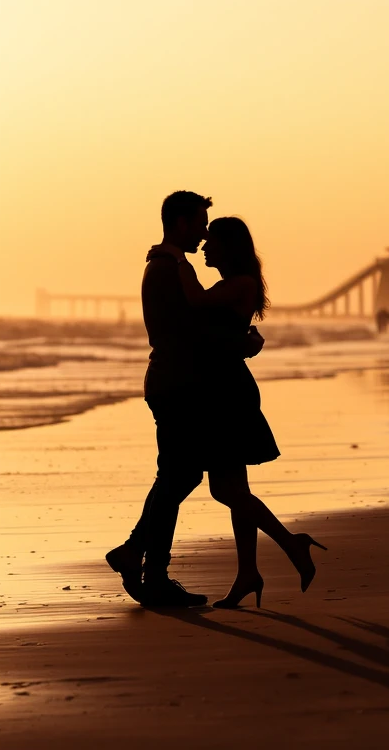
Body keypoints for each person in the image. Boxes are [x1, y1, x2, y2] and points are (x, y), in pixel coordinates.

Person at [153, 217, 326, 609]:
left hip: (226, 393)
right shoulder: (233, 284)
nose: (206, 247)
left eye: (212, 241)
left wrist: (177, 257)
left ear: (230, 248)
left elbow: (196, 303)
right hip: (220, 387)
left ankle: (291, 543)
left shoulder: (241, 284)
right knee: (236, 489)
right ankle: (248, 572)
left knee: (224, 490)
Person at [105, 191, 263, 608]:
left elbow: (193, 325)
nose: (204, 232)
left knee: (179, 475)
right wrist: (240, 343)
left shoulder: (170, 265)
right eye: (199, 224)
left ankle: (143, 561)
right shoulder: (167, 268)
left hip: (177, 383)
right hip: (175, 385)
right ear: (179, 224)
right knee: (177, 476)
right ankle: (147, 566)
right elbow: (188, 330)